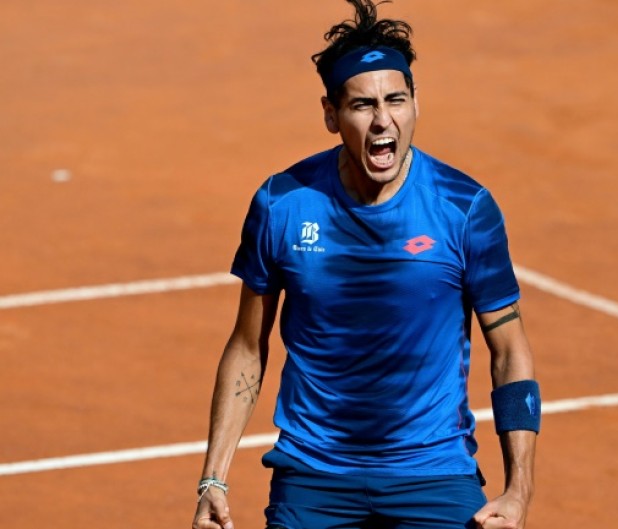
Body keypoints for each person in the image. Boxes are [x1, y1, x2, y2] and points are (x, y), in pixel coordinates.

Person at [191, 1, 539, 528]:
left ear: (416, 103)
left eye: (396, 100)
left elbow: (509, 349)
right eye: (362, 105)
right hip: (313, 474)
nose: (383, 120)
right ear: (331, 115)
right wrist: (214, 477)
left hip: (434, 473)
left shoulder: (462, 207)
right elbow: (247, 346)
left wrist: (518, 491)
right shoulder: (282, 204)